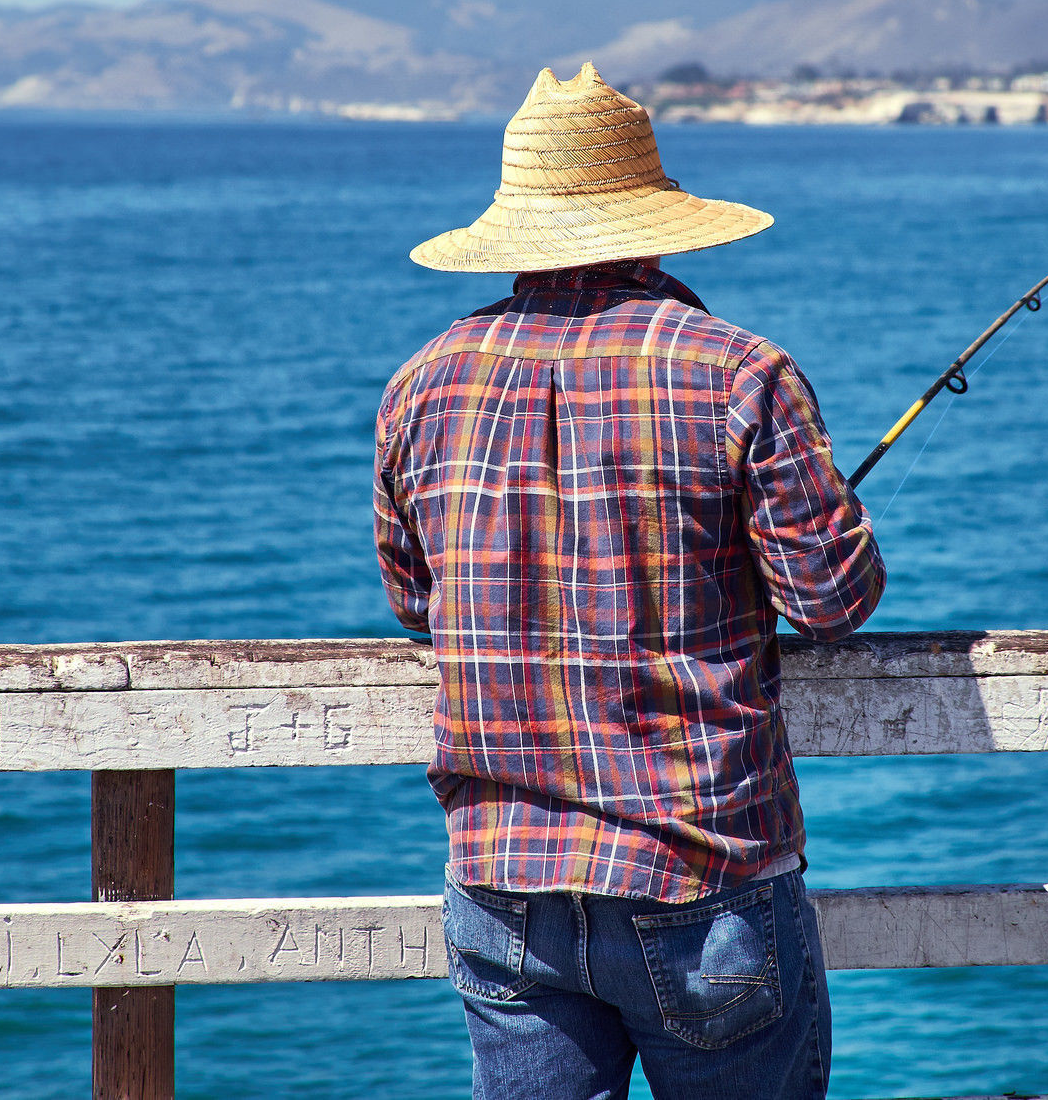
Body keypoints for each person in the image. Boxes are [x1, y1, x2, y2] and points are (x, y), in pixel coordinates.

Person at [373, 63, 885, 1100]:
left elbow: (414, 604)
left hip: (502, 881)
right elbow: (831, 601)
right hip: (700, 877)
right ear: (653, 224)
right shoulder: (739, 374)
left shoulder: (420, 385)